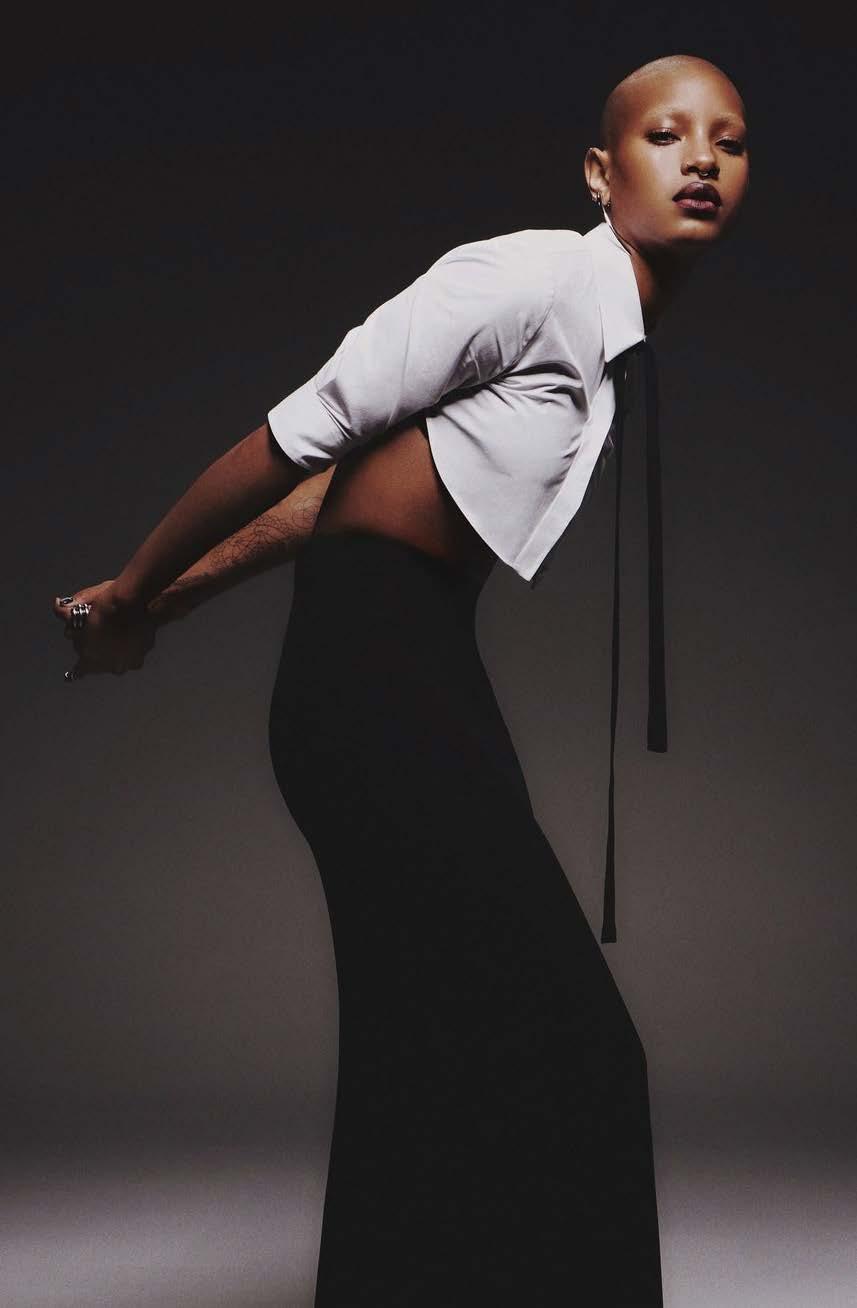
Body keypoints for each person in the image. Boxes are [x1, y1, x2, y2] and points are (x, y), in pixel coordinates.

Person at [52, 52, 749, 1307]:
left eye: (727, 140)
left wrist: (172, 598)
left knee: (433, 1049)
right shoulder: (531, 279)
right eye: (663, 134)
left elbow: (344, 491)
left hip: (405, 660)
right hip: (373, 680)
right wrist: (133, 592)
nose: (699, 158)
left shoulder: (603, 329)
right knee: (577, 1048)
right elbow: (298, 432)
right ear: (600, 172)